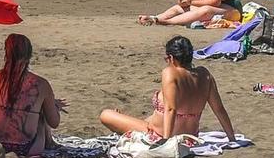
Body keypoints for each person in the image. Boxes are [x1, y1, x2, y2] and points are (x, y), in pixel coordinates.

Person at [100, 36, 237, 142]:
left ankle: (119, 117)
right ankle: (121, 117)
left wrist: (165, 141)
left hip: (160, 134)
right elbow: (219, 109)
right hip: (190, 136)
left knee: (106, 114)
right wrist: (231, 137)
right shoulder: (204, 75)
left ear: (171, 58)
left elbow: (171, 109)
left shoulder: (170, 73)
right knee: (141, 120)